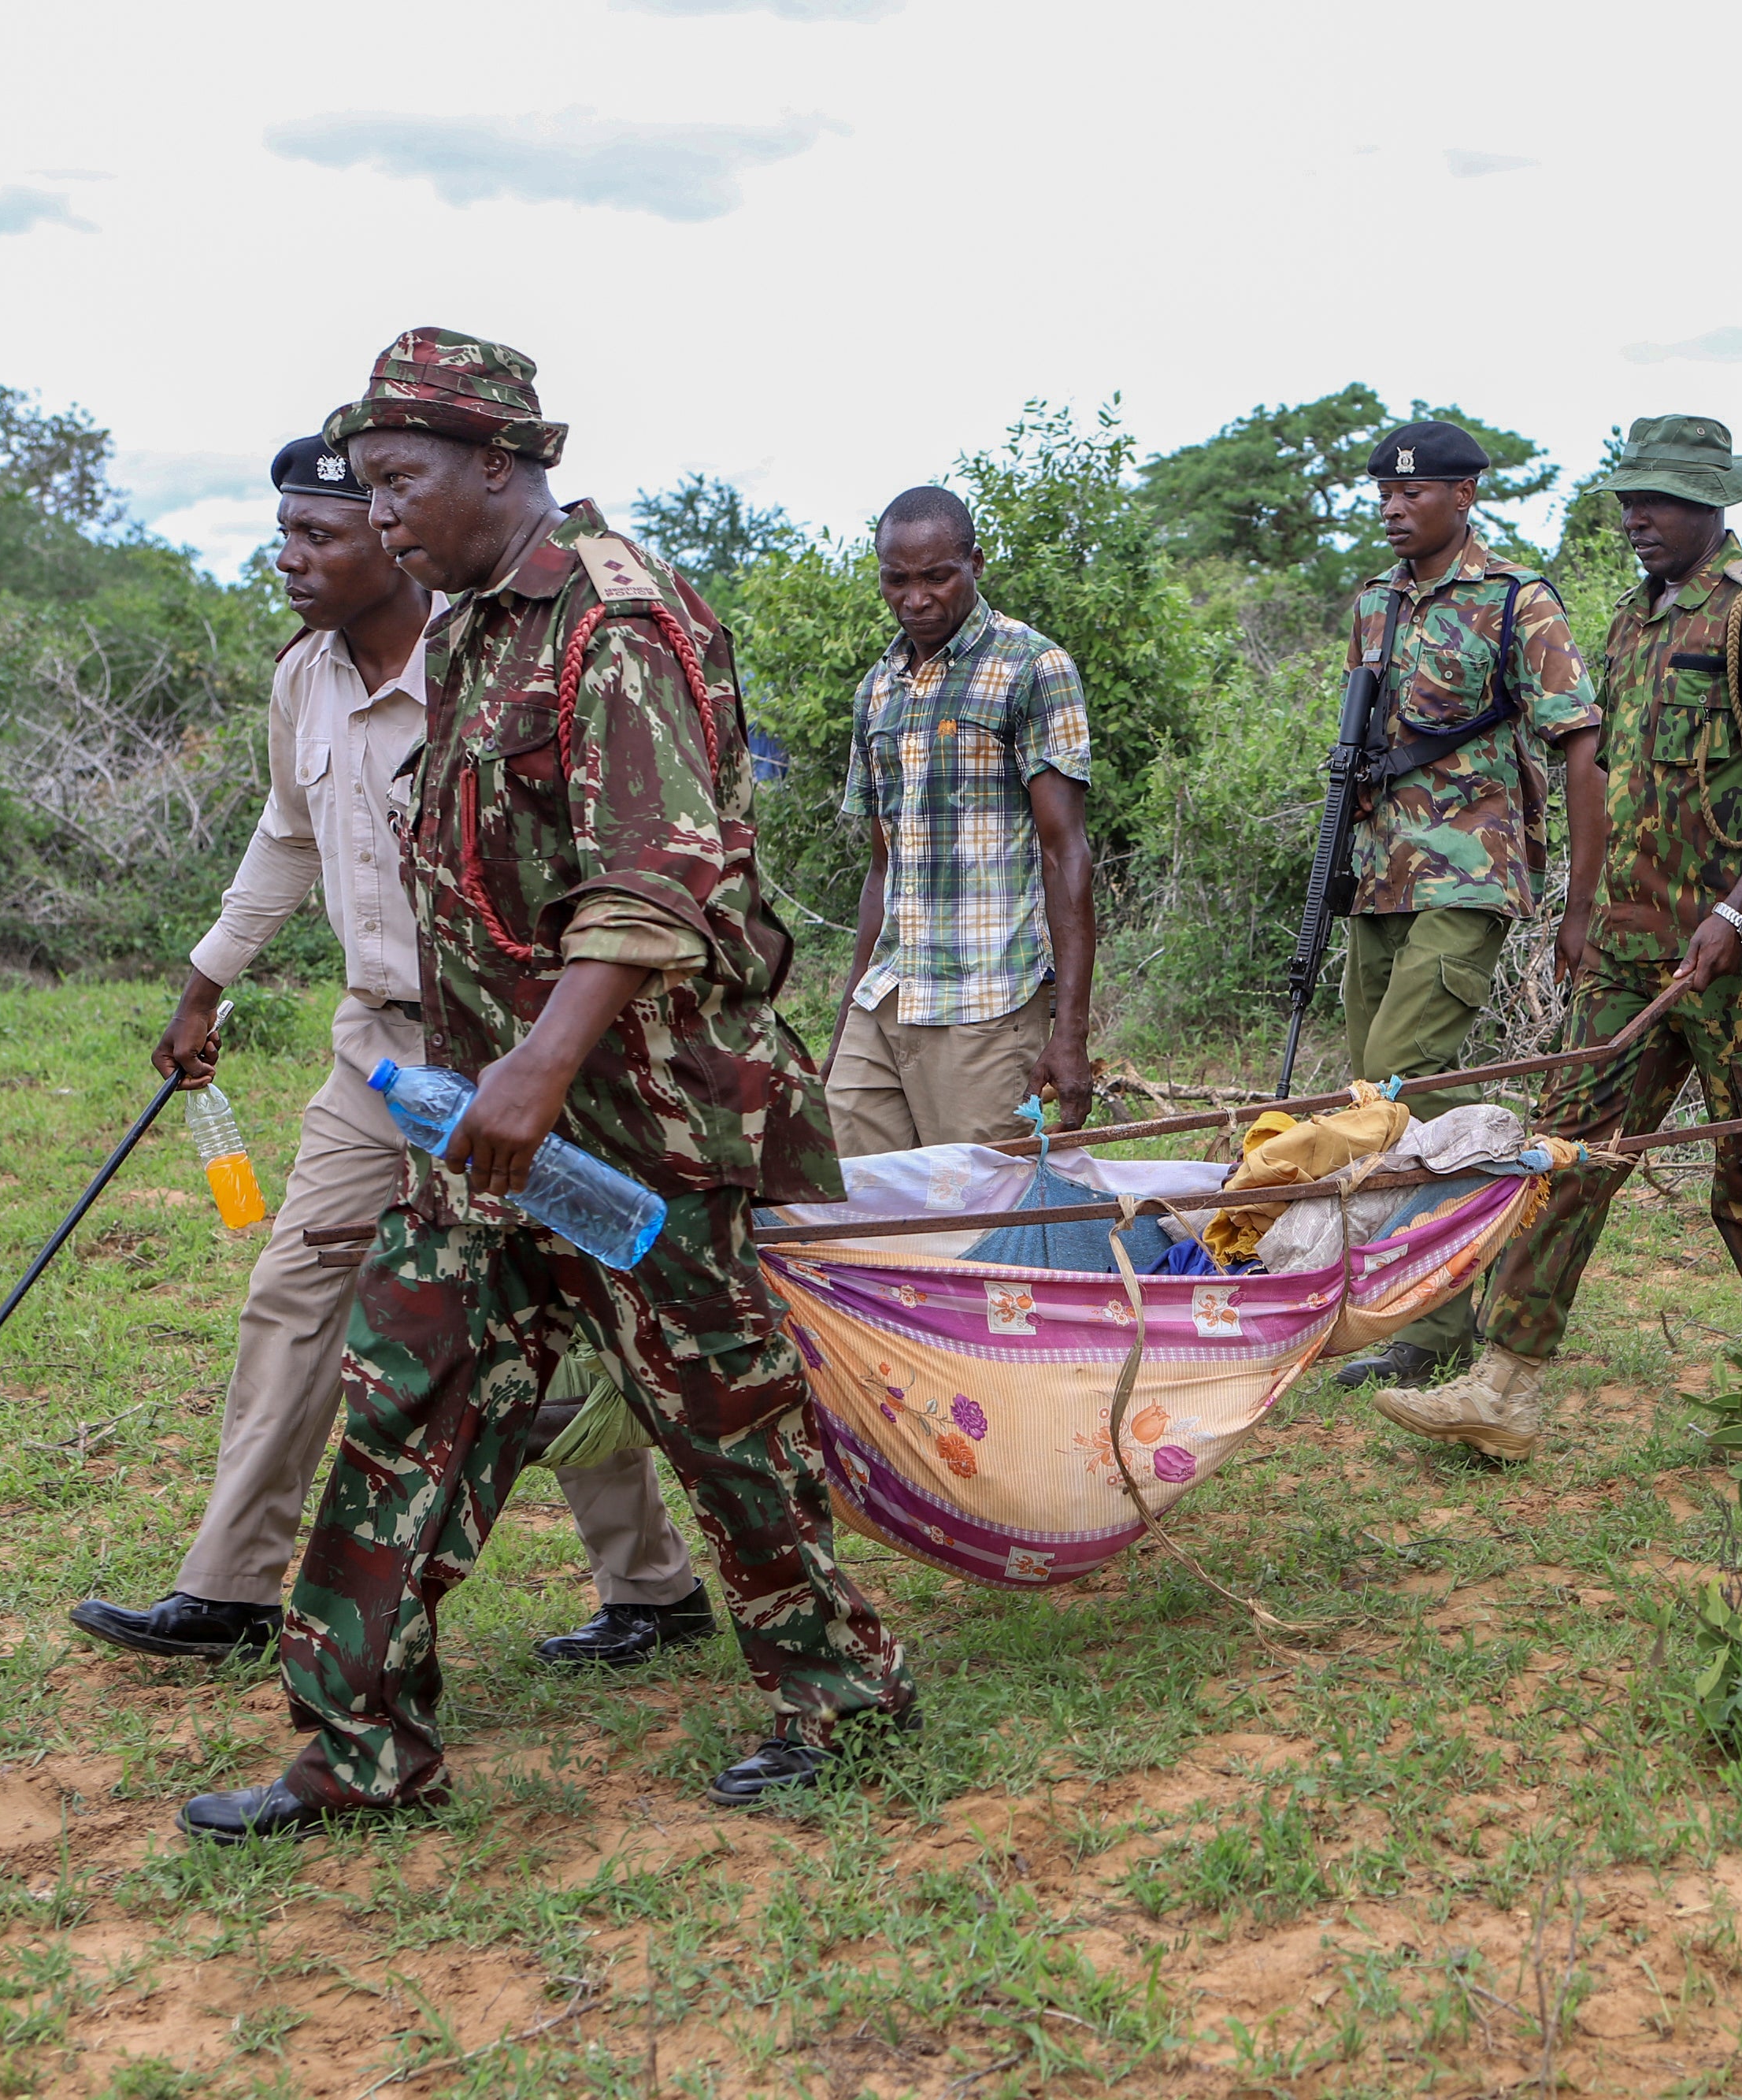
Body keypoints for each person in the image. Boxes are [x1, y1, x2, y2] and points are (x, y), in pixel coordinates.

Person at [176, 331, 911, 1842]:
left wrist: (533, 1070)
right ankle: (356, 1750)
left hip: (644, 1126)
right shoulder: (466, 634)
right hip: (490, 1127)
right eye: (367, 487)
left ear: (497, 468)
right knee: (406, 1396)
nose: (380, 518)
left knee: (725, 1423)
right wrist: (477, 1084)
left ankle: (842, 1694)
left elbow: (658, 882)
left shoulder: (615, 623)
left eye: (399, 483)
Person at [67, 437, 714, 1675]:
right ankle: (230, 1588)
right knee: (297, 1289)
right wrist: (206, 984)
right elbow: (283, 834)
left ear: (384, 529)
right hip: (375, 1053)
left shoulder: (496, 660)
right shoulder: (303, 679)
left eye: (319, 534)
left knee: (563, 1311)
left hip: (522, 1051)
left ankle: (652, 1588)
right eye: (285, 534)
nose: (290, 558)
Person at [1370, 416, 1742, 1458]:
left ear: (1714, 505)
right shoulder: (1628, 622)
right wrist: (1581, 913)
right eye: (1630, 497)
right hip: (1631, 945)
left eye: (1662, 500)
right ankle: (1502, 1386)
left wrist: (1735, 912)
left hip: (1740, 954)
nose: (1640, 517)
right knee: (1566, 1155)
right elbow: (1608, 779)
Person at [1324, 419, 1604, 1393]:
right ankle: (1426, 1305)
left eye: (1416, 493)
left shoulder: (1515, 601)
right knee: (1376, 1088)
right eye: (1385, 495)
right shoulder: (1373, 603)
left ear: (1465, 495)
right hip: (1379, 873)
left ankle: (1478, 1231)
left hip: (1470, 871)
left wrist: (1579, 901)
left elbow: (1581, 744)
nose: (1396, 508)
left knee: (1401, 1073)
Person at [825, 487, 1096, 1152]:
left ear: (975, 563)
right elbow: (882, 868)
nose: (915, 599)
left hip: (987, 1001)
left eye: (936, 577)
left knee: (979, 1218)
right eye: (897, 580)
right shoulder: (878, 688)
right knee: (854, 1203)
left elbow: (1068, 856)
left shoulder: (1032, 667)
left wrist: (1071, 1033)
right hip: (887, 996)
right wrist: (845, 1017)